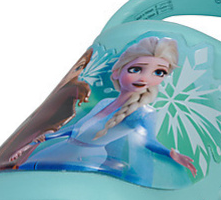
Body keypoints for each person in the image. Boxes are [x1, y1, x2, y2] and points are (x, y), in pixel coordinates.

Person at [19, 37, 197, 185]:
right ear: (117, 72)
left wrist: (171, 154)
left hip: (87, 158)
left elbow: (148, 141)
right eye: (136, 69)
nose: (144, 78)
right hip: (64, 148)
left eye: (158, 73)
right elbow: (78, 128)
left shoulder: (143, 113)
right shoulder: (105, 102)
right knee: (26, 172)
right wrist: (48, 136)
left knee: (64, 185)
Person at [0, 48, 92, 172]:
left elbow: (69, 113)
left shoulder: (73, 89)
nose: (76, 73)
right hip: (35, 133)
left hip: (39, 132)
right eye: (77, 68)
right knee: (15, 154)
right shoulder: (68, 89)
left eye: (80, 68)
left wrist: (51, 130)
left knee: (17, 154)